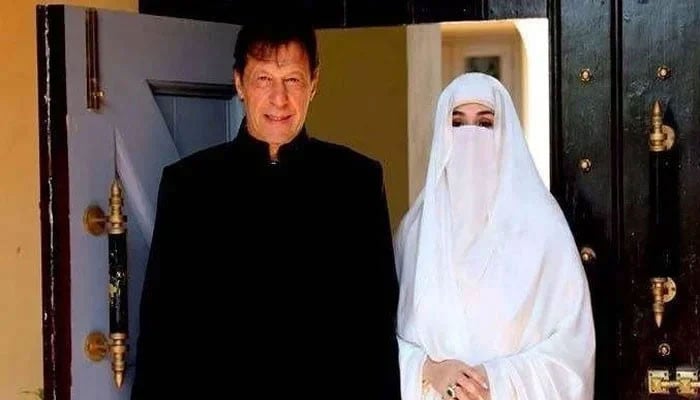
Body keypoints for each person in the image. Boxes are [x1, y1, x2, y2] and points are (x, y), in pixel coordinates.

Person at [130, 11, 401, 400]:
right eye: (263, 79)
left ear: (314, 84)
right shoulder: (189, 186)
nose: (279, 99)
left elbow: (375, 332)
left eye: (293, 80)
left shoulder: (356, 182)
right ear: (239, 82)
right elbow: (162, 333)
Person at [394, 72, 595, 400]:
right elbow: (381, 341)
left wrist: (495, 381)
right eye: (457, 123)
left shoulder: (543, 229)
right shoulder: (416, 232)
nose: (470, 136)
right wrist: (428, 369)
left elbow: (572, 351)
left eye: (485, 124)